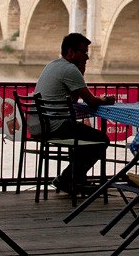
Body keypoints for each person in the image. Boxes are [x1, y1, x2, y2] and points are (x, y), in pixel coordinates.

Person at [33, 32, 115, 195]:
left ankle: (74, 180)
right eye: (83, 52)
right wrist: (106, 99)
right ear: (71, 52)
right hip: (56, 126)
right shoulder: (70, 69)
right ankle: (67, 179)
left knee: (82, 137)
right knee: (101, 140)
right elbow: (90, 101)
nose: (87, 56)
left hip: (39, 125)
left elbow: (73, 98)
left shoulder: (53, 65)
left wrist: (81, 72)